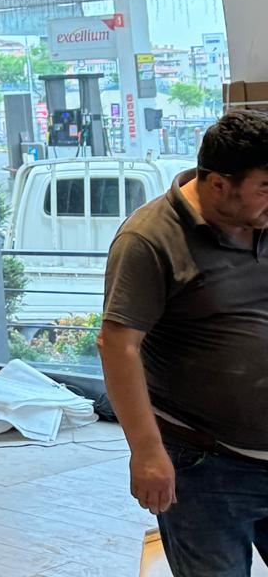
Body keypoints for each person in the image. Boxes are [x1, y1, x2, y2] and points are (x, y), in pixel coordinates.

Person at [99, 108, 268, 576]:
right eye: (265, 188)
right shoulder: (149, 239)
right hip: (206, 465)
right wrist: (146, 450)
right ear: (218, 184)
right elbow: (118, 346)